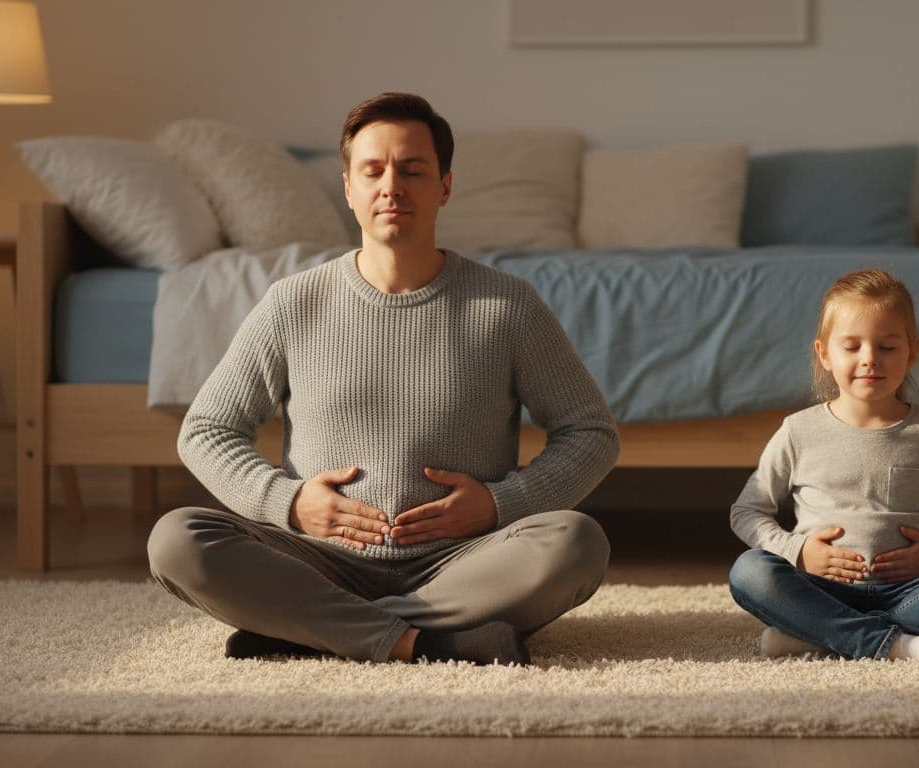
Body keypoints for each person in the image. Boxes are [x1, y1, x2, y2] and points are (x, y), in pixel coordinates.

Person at [146, 92, 619, 666]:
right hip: (318, 558)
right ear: (348, 188)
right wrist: (290, 503)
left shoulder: (507, 305)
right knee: (176, 540)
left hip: (463, 563)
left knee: (576, 543)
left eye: (413, 170)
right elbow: (206, 431)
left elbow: (591, 432)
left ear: (445, 185)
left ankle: (311, 628)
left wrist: (499, 505)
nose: (391, 186)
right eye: (372, 171)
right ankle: (419, 642)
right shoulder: (292, 303)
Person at [727, 268, 919, 665]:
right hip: (820, 587)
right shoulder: (797, 431)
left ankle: (821, 635)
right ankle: (903, 646)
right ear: (824, 353)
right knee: (750, 572)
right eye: (852, 346)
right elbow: (747, 510)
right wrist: (798, 551)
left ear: (912, 352)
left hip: (913, 592)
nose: (869, 360)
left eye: (887, 346)